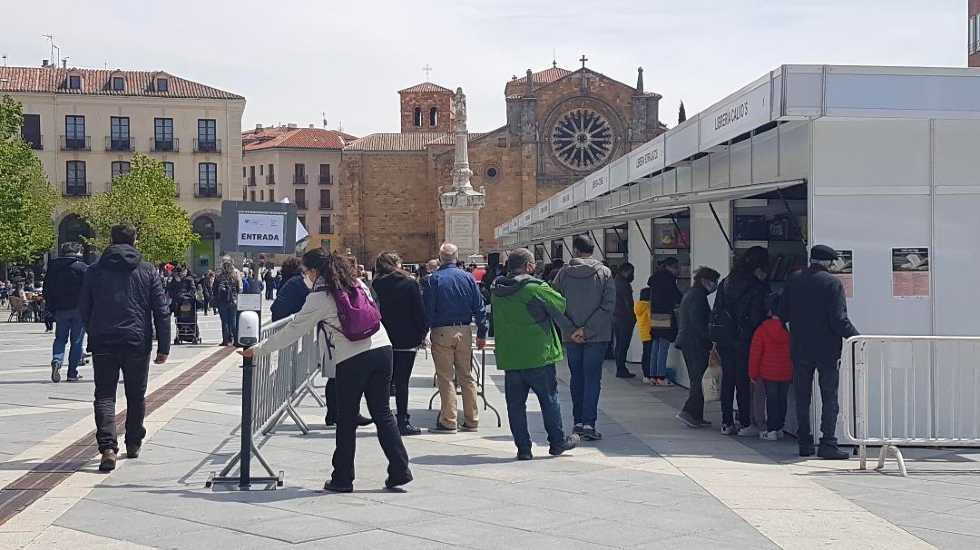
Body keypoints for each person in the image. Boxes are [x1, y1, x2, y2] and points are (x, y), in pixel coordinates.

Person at [242, 250, 412, 492]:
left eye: (306, 272)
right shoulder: (358, 283)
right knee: (383, 412)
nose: (305, 277)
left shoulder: (320, 297)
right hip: (382, 348)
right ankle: (400, 469)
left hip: (351, 357)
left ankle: (343, 478)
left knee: (346, 418)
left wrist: (258, 350)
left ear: (313, 271)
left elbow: (293, 330)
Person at [79, 224, 170, 472]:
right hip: (136, 342)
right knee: (135, 394)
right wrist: (164, 346)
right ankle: (133, 442)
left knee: (105, 395)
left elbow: (84, 307)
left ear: (111, 241)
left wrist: (93, 330)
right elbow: (161, 310)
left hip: (104, 342)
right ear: (135, 240)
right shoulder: (148, 270)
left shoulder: (94, 270)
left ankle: (108, 448)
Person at [491, 248, 580, 460]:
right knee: (549, 399)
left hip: (511, 356)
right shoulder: (534, 288)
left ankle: (523, 448)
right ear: (529, 266)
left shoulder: (498, 290)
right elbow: (559, 303)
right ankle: (557, 442)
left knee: (515, 405)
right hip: (538, 354)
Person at [782, 245, 859, 459]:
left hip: (799, 349)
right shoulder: (832, 283)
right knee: (829, 397)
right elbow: (838, 319)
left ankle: (804, 443)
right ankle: (827, 443)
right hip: (827, 350)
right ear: (829, 263)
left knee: (802, 397)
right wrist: (857, 337)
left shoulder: (794, 279)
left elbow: (782, 312)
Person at [552, 235, 615, 442]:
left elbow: (554, 304)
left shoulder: (563, 274)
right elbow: (608, 306)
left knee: (576, 378)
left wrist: (571, 329)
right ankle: (589, 423)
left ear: (575, 251)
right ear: (592, 249)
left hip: (571, 338)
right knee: (592, 379)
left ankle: (577, 422)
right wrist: (587, 330)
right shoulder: (605, 273)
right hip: (597, 337)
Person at [423, 243, 488, 433]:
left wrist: (424, 332)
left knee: (445, 377)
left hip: (442, 330)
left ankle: (449, 419)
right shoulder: (468, 278)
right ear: (457, 257)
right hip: (465, 330)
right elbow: (480, 307)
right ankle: (472, 419)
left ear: (440, 258)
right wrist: (482, 333)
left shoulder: (433, 279)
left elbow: (428, 309)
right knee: (466, 376)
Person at [712, 246, 770, 437]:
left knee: (728, 380)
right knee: (744, 382)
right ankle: (745, 422)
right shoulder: (757, 286)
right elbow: (756, 316)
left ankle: (726, 422)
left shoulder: (726, 282)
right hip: (746, 339)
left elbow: (717, 310)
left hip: (725, 338)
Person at [373, 252, 429, 436]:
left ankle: (384, 419)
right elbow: (419, 311)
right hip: (407, 338)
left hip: (383, 337)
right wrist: (422, 333)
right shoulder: (410, 283)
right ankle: (403, 421)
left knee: (385, 381)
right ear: (396, 263)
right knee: (402, 381)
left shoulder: (376, 284)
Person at [675, 266, 721, 428]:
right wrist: (709, 342)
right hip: (694, 343)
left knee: (698, 378)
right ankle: (688, 412)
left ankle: (696, 415)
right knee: (698, 379)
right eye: (713, 281)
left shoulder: (692, 294)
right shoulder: (697, 296)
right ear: (704, 280)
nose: (714, 285)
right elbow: (698, 323)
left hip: (690, 341)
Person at [749, 293, 793, 441]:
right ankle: (780, 427)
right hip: (786, 371)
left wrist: (753, 374)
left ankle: (772, 429)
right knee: (782, 400)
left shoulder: (762, 329)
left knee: (772, 400)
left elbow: (755, 354)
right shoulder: (790, 329)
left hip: (768, 372)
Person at [44, 241, 89, 382]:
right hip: (78, 309)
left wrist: (51, 307)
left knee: (60, 338)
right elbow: (90, 290)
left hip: (60, 309)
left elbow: (46, 290)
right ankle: (72, 372)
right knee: (76, 341)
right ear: (78, 252)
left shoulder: (53, 268)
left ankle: (57, 361)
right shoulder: (83, 268)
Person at [649, 258, 683, 386]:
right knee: (663, 346)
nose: (678, 270)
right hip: (665, 313)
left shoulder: (656, 278)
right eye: (677, 267)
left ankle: (653, 375)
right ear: (671, 267)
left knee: (656, 345)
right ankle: (661, 376)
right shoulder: (668, 279)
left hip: (655, 313)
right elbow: (676, 295)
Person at [612, 262, 637, 379]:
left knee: (619, 344)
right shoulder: (623, 284)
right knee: (623, 343)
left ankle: (620, 367)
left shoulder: (615, 281)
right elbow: (628, 303)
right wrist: (632, 317)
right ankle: (621, 368)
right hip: (624, 318)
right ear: (626, 272)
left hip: (616, 316)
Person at [212, 257, 240, 346]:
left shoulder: (219, 277)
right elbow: (238, 289)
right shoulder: (234, 276)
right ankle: (236, 340)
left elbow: (214, 289)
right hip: (233, 301)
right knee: (233, 321)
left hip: (222, 302)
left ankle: (225, 341)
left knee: (224, 321)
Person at [634, 286, 653, 383]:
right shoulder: (648, 306)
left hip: (643, 333)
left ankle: (645, 374)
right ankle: (648, 374)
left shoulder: (638, 306)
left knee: (645, 354)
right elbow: (651, 319)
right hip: (650, 333)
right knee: (649, 355)